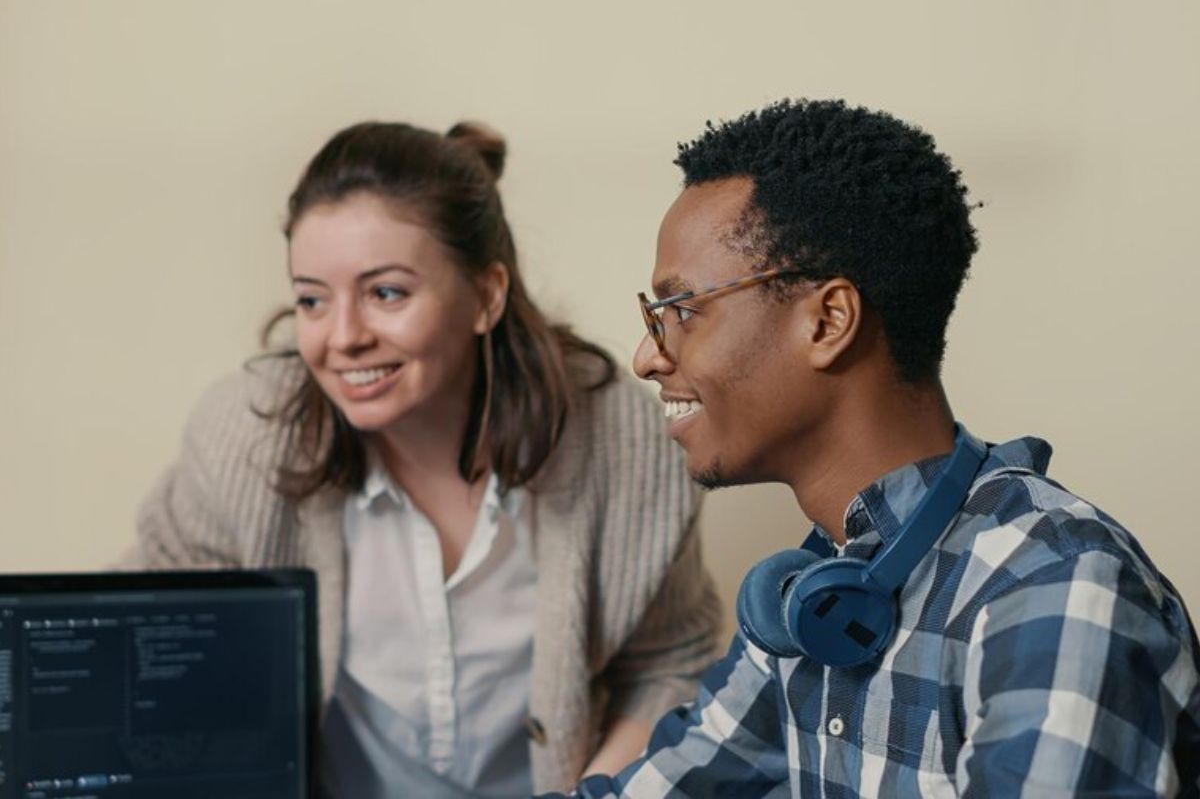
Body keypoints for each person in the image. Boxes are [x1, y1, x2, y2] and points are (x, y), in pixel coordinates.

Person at [553, 99, 1200, 797]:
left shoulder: (1056, 584)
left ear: (828, 321)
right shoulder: (812, 595)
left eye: (680, 310)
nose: (647, 356)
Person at [126, 120, 723, 797]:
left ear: (486, 295)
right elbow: (142, 637)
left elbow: (669, 662)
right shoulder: (246, 433)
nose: (343, 337)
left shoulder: (620, 436)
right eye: (312, 301)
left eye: (386, 293)